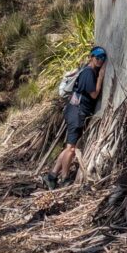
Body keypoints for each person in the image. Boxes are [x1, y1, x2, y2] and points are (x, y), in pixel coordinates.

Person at [45, 46, 107, 189]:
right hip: (77, 113)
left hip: (74, 111)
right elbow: (94, 94)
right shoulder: (89, 73)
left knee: (69, 148)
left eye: (102, 58)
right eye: (97, 57)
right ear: (91, 57)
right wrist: (101, 77)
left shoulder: (87, 70)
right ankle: (65, 178)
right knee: (71, 150)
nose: (100, 60)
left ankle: (52, 176)